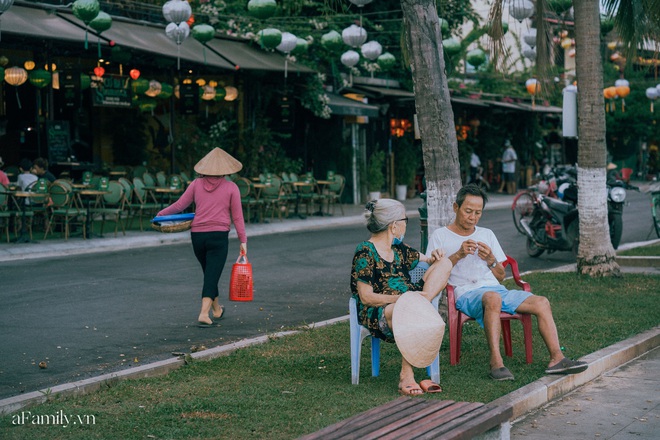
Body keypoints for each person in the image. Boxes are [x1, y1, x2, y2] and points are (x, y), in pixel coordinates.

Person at [425, 184, 588, 381]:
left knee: (541, 302)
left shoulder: (486, 234)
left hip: (495, 289)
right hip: (466, 293)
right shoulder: (440, 236)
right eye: (468, 211)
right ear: (455, 207)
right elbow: (432, 273)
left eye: (478, 213)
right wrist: (458, 255)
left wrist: (491, 259)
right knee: (492, 299)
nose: (473, 217)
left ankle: (557, 359)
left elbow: (500, 276)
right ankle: (496, 363)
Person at [351, 198, 453, 395]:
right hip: (380, 311)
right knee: (406, 310)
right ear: (393, 225)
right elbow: (366, 297)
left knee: (445, 264)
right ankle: (406, 375)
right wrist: (403, 300)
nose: (407, 223)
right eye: (405, 219)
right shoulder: (365, 251)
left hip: (411, 301)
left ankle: (419, 306)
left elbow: (430, 260)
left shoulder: (400, 249)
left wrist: (437, 255)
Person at [156, 148, 247, 327]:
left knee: (209, 274)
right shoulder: (231, 187)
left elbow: (180, 205)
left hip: (197, 237)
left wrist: (160, 215)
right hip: (218, 237)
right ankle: (204, 313)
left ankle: (217, 310)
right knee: (211, 275)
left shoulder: (196, 184)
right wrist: (243, 240)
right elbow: (237, 217)